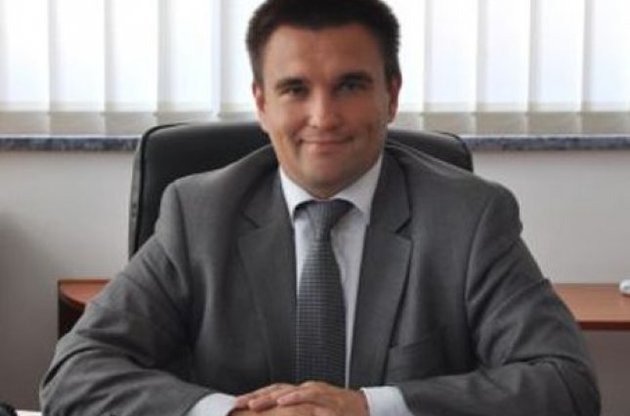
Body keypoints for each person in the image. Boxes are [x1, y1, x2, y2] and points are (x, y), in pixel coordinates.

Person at [40, 0, 600, 415]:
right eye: (295, 89)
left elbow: (565, 383)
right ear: (261, 103)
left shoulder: (469, 216)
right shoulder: (199, 212)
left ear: (391, 95)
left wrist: (370, 408)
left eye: (350, 86)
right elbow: (76, 373)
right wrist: (231, 414)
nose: (324, 117)